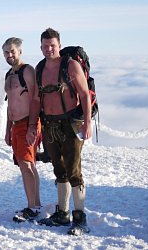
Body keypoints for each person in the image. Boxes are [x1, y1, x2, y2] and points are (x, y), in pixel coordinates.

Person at [32, 28, 92, 235]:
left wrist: (87, 123)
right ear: (41, 47)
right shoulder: (39, 69)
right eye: (45, 46)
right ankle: (62, 213)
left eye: (53, 45)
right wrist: (33, 126)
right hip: (49, 124)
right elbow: (36, 100)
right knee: (59, 170)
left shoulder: (71, 65)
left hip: (71, 123)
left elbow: (84, 95)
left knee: (74, 171)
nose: (49, 49)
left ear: (59, 45)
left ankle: (80, 217)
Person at [2, 37, 42, 222]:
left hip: (28, 122)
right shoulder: (9, 74)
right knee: (26, 165)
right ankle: (36, 204)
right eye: (6, 52)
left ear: (20, 51)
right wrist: (8, 130)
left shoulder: (28, 71)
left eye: (12, 51)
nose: (9, 55)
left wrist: (32, 126)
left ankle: (32, 207)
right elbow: (11, 105)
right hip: (16, 125)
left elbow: (35, 99)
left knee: (26, 164)